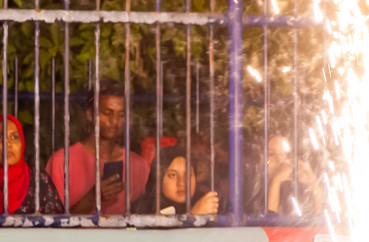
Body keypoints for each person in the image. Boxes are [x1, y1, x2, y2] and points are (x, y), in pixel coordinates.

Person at [46, 80, 150, 215]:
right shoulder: (61, 162)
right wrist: (94, 196)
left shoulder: (139, 166)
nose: (114, 121)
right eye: (107, 113)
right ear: (90, 115)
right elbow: (51, 224)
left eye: (121, 114)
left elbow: (142, 221)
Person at [132, 145, 219, 216]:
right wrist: (193, 217)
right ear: (158, 180)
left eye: (188, 175)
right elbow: (132, 235)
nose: (181, 183)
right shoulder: (136, 212)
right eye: (172, 175)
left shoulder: (204, 205)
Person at [4, 114, 65, 214]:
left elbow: (57, 224)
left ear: (22, 144)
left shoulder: (39, 182)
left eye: (15, 137)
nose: (8, 144)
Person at [263, 134, 317, 215]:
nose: (279, 160)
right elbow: (269, 220)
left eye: (285, 155)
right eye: (271, 154)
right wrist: (276, 181)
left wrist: (313, 182)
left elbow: (319, 215)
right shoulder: (256, 185)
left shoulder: (296, 186)